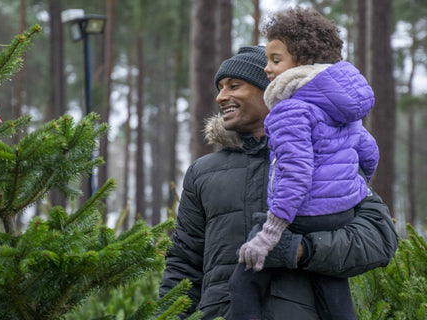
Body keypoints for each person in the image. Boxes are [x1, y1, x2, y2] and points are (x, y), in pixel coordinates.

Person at [158, 45, 398, 320]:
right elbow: (183, 263)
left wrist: (303, 250)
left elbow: (380, 237)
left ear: (272, 89)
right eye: (220, 88)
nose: (222, 97)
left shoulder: (329, 158)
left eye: (234, 86)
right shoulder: (203, 172)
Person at [232, 7, 379, 320]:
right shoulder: (337, 104)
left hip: (303, 213)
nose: (267, 69)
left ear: (301, 60)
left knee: (245, 278)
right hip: (341, 212)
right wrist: (352, 187)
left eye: (275, 60)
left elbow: (294, 173)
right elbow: (368, 152)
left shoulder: (290, 110)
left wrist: (272, 230)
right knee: (332, 287)